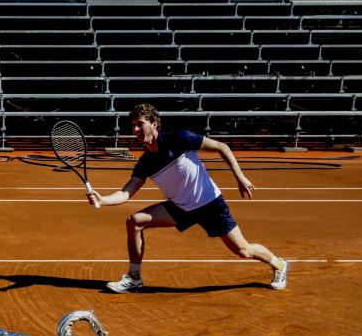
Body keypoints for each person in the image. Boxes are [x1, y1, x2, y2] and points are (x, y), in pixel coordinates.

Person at [87, 103, 289, 293]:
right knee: (134, 222)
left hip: (209, 204)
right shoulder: (146, 162)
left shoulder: (179, 138)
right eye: (133, 126)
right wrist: (103, 199)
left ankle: (279, 264)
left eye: (140, 124)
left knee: (243, 250)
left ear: (154, 124)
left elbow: (221, 146)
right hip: (180, 208)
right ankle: (134, 278)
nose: (136, 130)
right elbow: (127, 192)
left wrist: (240, 176)